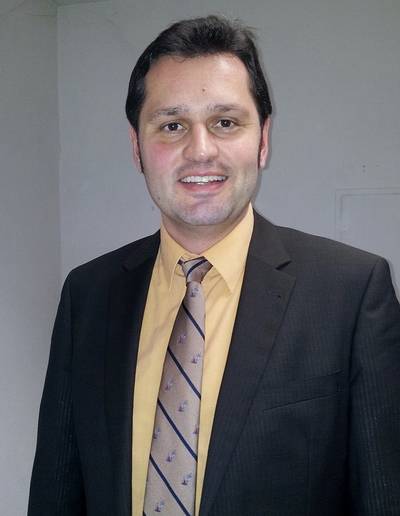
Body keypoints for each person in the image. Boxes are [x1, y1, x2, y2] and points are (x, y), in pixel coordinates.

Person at [28, 15, 400, 516]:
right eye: (172, 125)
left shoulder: (352, 293)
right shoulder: (87, 294)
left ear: (262, 140)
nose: (200, 150)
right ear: (137, 148)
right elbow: (55, 493)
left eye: (225, 122)